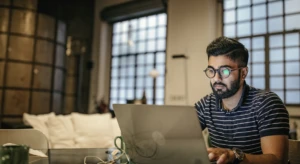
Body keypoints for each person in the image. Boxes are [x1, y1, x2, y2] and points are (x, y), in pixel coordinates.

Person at [195, 36, 290, 164]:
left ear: (243, 73)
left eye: (225, 71)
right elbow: (175, 135)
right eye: (211, 70)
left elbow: (278, 160)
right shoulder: (206, 104)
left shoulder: (267, 103)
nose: (216, 78)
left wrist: (235, 157)